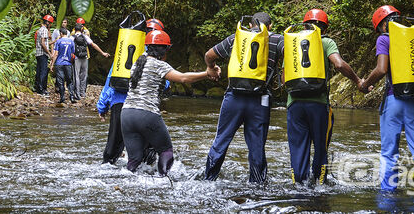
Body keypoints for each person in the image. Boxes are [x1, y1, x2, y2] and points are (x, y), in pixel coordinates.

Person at [359, 5, 414, 194]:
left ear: (381, 26)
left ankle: (388, 197)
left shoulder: (384, 39)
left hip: (393, 101)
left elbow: (381, 69)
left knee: (389, 153)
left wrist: (365, 85)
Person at [120, 29, 220, 176]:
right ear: (164, 50)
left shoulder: (138, 62)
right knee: (166, 151)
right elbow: (184, 78)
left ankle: (124, 183)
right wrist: (207, 73)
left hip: (126, 114)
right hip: (146, 114)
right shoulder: (159, 65)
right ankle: (163, 181)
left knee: (134, 159)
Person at [203, 12, 283, 183]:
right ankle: (257, 185)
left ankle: (208, 179)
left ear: (251, 24)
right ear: (270, 26)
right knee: (257, 146)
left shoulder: (237, 38)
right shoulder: (277, 40)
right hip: (260, 100)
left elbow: (209, 55)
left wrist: (212, 68)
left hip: (234, 97)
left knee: (221, 139)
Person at [285, 8, 361, 185]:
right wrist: (357, 80)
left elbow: (284, 78)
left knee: (297, 149)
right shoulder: (326, 42)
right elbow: (339, 64)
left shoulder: (292, 43)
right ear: (324, 29)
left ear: (304, 25)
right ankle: (319, 188)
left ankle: (299, 185)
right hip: (319, 104)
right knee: (320, 148)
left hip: (294, 104)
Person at [97, 17, 165, 165]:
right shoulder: (156, 56)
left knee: (113, 146)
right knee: (148, 150)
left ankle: (107, 168)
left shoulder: (128, 46)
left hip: (119, 104)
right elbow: (164, 84)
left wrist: (102, 106)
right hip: (143, 108)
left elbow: (111, 79)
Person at [71, 21, 109, 98]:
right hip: (85, 57)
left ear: (74, 29)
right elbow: (93, 45)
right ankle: (83, 93)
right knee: (84, 75)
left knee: (76, 76)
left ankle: (77, 93)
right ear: (82, 29)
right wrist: (102, 53)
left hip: (77, 58)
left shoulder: (72, 37)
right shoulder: (85, 36)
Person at [49, 28, 76, 103]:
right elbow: (72, 54)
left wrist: (52, 64)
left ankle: (62, 97)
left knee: (60, 81)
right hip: (68, 63)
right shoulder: (71, 41)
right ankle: (71, 97)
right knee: (69, 80)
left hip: (59, 63)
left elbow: (56, 54)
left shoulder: (58, 41)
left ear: (61, 33)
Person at [34, 15, 53, 95]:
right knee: (43, 71)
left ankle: (37, 87)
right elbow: (43, 43)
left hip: (38, 53)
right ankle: (42, 89)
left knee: (38, 70)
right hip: (43, 53)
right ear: (48, 23)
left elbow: (47, 39)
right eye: (50, 23)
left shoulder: (40, 29)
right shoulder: (44, 30)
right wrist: (49, 53)